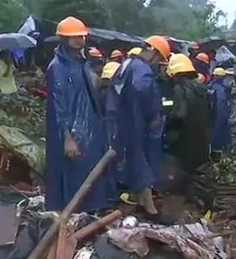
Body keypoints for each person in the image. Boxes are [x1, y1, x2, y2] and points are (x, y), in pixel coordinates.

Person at [45, 16, 114, 213]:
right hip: (72, 133)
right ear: (64, 39)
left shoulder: (80, 63)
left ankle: (90, 209)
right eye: (73, 37)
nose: (79, 40)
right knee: (72, 174)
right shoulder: (57, 67)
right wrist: (68, 137)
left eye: (81, 37)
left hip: (88, 129)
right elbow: (59, 105)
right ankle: (72, 212)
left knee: (89, 171)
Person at [106, 35, 170, 217]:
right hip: (135, 121)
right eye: (159, 59)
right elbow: (142, 91)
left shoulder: (128, 64)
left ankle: (141, 201)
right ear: (153, 52)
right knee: (141, 163)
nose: (158, 63)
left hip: (122, 119)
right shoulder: (142, 70)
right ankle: (150, 209)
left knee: (134, 161)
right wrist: (153, 114)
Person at [164, 53, 215, 208]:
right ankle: (202, 204)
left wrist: (166, 121)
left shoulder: (180, 88)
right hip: (201, 139)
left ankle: (178, 205)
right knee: (196, 175)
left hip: (183, 141)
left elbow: (179, 114)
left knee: (179, 175)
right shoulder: (202, 88)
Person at [208, 67, 232, 160]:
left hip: (213, 117)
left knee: (214, 138)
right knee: (219, 138)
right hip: (219, 117)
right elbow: (222, 106)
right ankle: (218, 158)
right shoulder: (221, 89)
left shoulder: (211, 87)